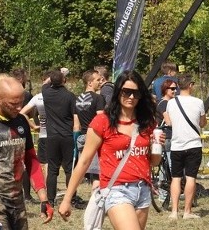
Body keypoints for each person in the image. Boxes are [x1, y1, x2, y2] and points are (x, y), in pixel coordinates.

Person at [58, 70, 162, 230]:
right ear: (118, 92)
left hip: (143, 189)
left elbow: (154, 162)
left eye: (136, 93)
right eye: (126, 92)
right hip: (117, 189)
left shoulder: (146, 122)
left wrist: (157, 145)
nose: (131, 97)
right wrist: (67, 199)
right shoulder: (102, 122)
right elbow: (84, 161)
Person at [0, 76, 54, 229]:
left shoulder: (21, 121)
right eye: (13, 104)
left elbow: (31, 160)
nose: (19, 108)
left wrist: (44, 199)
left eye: (21, 102)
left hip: (17, 200)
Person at [164, 74, 206, 219]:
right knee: (190, 178)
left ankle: (174, 211)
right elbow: (202, 123)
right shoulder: (198, 102)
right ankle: (187, 211)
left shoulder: (171, 103)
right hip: (193, 144)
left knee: (175, 178)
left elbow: (169, 122)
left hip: (176, 145)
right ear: (190, 85)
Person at [42, 69, 82, 207]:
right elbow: (75, 116)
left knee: (52, 169)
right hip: (67, 136)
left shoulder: (46, 93)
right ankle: (71, 197)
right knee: (69, 168)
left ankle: (51, 200)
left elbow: (46, 83)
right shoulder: (70, 96)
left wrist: (55, 75)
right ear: (64, 81)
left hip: (52, 136)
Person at [75, 70, 106, 190]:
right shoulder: (98, 98)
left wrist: (76, 140)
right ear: (89, 82)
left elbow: (76, 124)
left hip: (82, 138)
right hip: (95, 138)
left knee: (89, 172)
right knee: (98, 174)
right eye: (98, 80)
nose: (101, 82)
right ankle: (96, 202)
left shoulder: (77, 99)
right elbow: (101, 119)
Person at [20, 71, 51, 178]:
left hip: (44, 134)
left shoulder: (38, 97)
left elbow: (21, 113)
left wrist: (32, 126)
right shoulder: (63, 96)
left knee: (46, 162)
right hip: (59, 133)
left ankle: (49, 189)